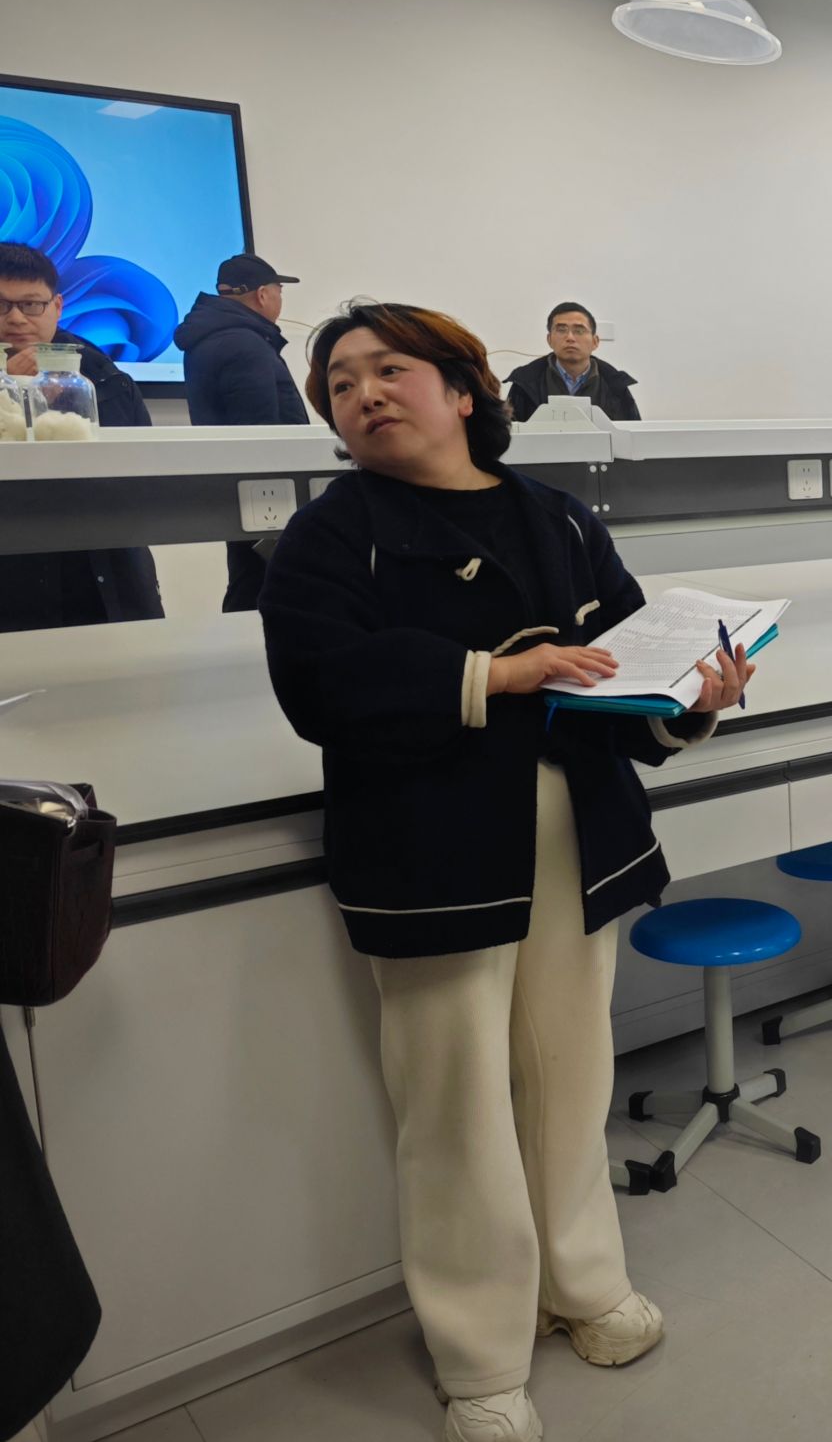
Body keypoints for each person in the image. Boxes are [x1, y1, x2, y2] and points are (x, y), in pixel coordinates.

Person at [259, 301, 752, 1442]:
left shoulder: (557, 516)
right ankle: (479, 1350)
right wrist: (497, 672)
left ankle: (583, 1280)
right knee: (455, 1104)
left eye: (389, 368)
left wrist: (693, 697)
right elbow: (318, 684)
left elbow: (625, 661)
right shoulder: (333, 534)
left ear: (464, 388)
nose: (364, 393)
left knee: (569, 1073)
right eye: (340, 383)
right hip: (430, 844)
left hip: (574, 826)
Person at [0, 242, 163, 633]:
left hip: (107, 573)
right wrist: (12, 392)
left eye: (31, 304)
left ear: (56, 306)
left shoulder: (98, 370)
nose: (16, 318)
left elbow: (142, 465)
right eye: (1, 305)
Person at [172, 253, 312, 612]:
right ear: (263, 294)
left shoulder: (211, 337)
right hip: (269, 495)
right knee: (266, 586)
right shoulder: (245, 343)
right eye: (279, 291)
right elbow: (261, 434)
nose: (280, 300)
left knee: (250, 579)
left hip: (239, 490)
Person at [504, 301, 643, 424]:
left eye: (579, 330)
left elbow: (633, 437)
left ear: (595, 342)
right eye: (561, 330)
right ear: (549, 339)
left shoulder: (616, 386)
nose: (570, 337)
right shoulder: (525, 383)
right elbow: (509, 435)